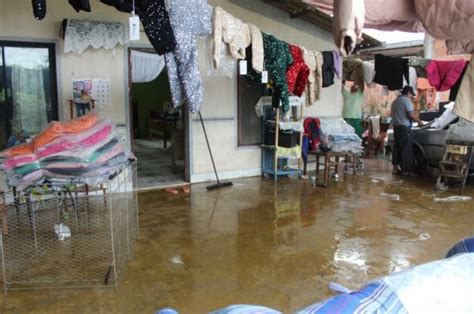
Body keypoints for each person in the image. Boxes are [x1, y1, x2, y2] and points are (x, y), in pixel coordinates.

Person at [391, 85, 423, 174]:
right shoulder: (406, 101)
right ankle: (406, 170)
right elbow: (411, 115)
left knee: (397, 147)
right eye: (411, 95)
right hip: (404, 128)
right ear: (408, 93)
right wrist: (420, 122)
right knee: (406, 149)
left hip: (396, 128)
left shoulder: (395, 101)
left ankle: (395, 168)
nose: (412, 97)